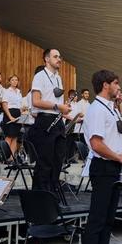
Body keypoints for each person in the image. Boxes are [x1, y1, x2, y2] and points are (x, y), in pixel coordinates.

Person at [76, 69, 122, 244]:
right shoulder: (97, 109)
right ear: (105, 85)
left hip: (115, 165)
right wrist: (118, 156)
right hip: (103, 166)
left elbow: (118, 137)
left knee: (108, 220)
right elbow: (97, 143)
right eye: (116, 83)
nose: (119, 87)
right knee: (97, 220)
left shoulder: (112, 108)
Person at [29, 49, 71, 195]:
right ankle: (40, 196)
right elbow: (36, 101)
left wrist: (64, 108)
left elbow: (55, 100)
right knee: (45, 162)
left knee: (57, 160)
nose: (59, 59)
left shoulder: (58, 77)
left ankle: (52, 192)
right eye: (55, 56)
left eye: (60, 56)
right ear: (46, 59)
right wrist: (57, 106)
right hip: (45, 120)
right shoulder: (40, 76)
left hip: (58, 121)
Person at [0, 74, 24, 158]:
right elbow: (4, 104)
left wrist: (22, 116)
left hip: (17, 114)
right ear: (9, 81)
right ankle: (5, 157)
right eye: (13, 80)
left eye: (16, 80)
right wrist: (10, 117)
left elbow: (20, 105)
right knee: (9, 136)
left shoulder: (19, 92)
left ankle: (12, 158)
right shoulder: (6, 91)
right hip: (9, 113)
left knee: (15, 137)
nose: (15, 81)